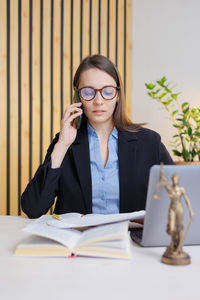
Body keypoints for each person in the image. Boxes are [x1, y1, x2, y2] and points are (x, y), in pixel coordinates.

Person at [21, 54, 173, 218]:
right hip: (79, 242)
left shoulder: (149, 142)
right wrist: (62, 146)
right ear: (78, 96)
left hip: (129, 241)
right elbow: (33, 209)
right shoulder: (64, 143)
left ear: (118, 95)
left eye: (108, 92)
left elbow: (181, 198)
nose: (98, 101)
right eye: (88, 92)